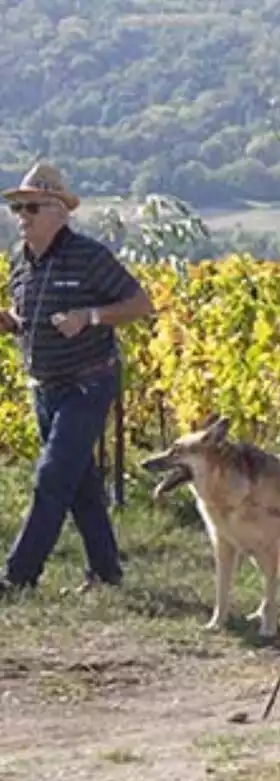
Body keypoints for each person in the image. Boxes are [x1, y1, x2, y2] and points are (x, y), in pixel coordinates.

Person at [0, 163, 155, 598]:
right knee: (80, 483)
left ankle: (18, 577)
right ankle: (106, 571)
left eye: (31, 206)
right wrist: (8, 322)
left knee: (51, 477)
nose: (21, 215)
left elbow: (140, 303)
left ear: (60, 211)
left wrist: (90, 317)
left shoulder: (89, 257)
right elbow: (24, 318)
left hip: (87, 384)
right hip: (44, 388)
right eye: (17, 207)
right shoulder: (19, 261)